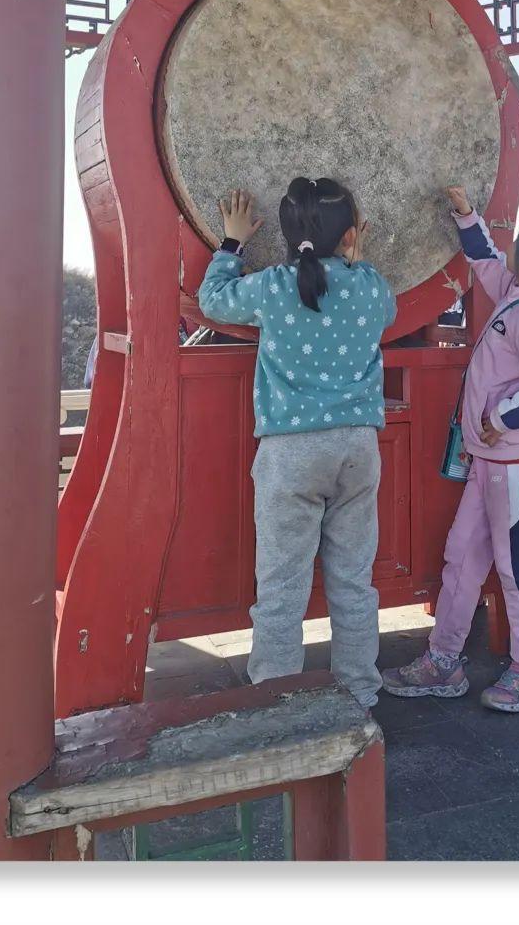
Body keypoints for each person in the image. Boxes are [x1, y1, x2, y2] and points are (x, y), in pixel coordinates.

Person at [383, 186, 519, 712]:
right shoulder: (518, 292)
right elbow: (485, 261)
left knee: (517, 564)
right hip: (490, 460)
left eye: (517, 243)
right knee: (462, 555)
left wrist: (500, 416)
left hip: (515, 462)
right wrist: (466, 215)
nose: (508, 248)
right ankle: (443, 659)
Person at [198, 178, 396, 708]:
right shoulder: (372, 286)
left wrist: (232, 242)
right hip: (357, 448)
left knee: (282, 586)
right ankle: (360, 693)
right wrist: (355, 259)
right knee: (353, 581)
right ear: (351, 235)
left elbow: (212, 301)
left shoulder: (270, 287)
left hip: (290, 451)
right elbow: (387, 314)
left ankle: (276, 699)